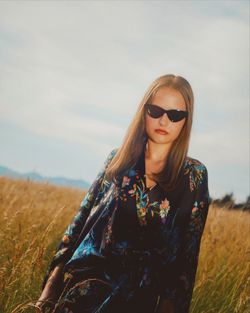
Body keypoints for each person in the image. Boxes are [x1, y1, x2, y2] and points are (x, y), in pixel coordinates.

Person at [35, 74, 210, 313]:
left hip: (137, 301)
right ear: (144, 111)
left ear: (186, 120)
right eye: (156, 110)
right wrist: (52, 286)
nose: (164, 121)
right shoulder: (118, 159)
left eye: (175, 114)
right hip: (81, 292)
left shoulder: (194, 176)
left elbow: (185, 261)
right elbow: (81, 223)